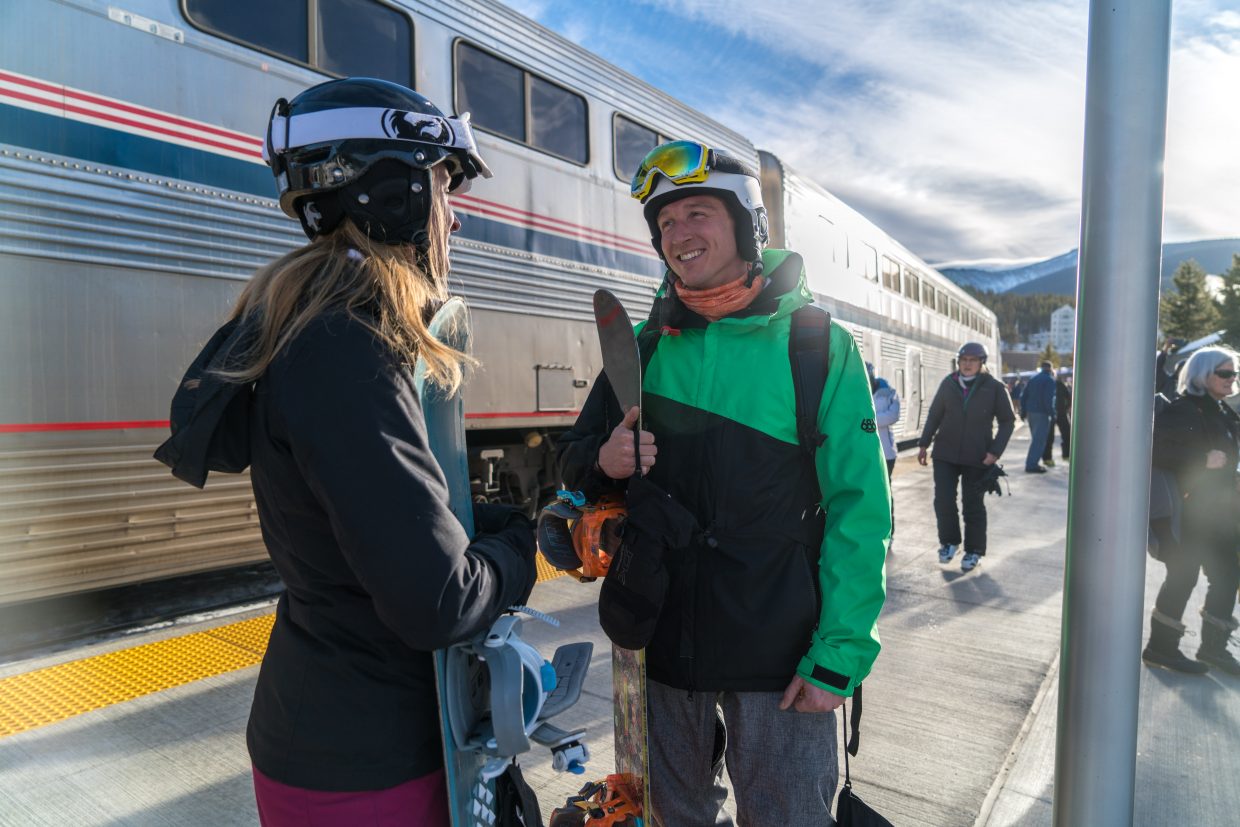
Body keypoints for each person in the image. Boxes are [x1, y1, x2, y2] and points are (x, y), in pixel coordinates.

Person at [172, 78, 538, 825]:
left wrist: (469, 521)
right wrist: (519, 552)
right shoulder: (349, 344)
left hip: (324, 735)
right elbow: (438, 603)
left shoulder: (307, 325)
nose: (455, 217)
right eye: (443, 185)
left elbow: (365, 525)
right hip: (371, 768)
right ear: (392, 193)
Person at [557, 141, 890, 825]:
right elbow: (576, 460)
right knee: (672, 815)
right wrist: (604, 459)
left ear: (745, 224)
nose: (680, 234)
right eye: (667, 223)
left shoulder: (815, 346)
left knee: (787, 816)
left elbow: (861, 509)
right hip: (661, 636)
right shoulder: (648, 347)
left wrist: (839, 655)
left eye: (698, 213)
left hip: (780, 646)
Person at [1143, 347, 1240, 675]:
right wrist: (1202, 460)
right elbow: (1156, 450)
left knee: (1227, 576)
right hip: (1189, 512)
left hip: (1221, 513)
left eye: (1233, 373)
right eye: (1224, 373)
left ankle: (1213, 649)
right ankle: (1161, 648)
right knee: (1184, 575)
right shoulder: (1184, 409)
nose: (1231, 379)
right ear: (1203, 373)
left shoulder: (1222, 410)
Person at [918, 342, 1016, 572]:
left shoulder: (994, 387)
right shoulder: (949, 383)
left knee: (972, 504)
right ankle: (949, 542)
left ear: (982, 363)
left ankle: (974, 551)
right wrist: (924, 443)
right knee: (943, 500)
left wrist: (994, 452)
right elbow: (934, 415)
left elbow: (1007, 421)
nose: (967, 364)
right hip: (945, 454)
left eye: (972, 360)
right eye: (964, 360)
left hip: (978, 456)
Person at [1019, 361, 1056, 473]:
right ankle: (1031, 465)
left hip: (1031, 412)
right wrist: (1052, 413)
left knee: (1036, 439)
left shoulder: (1033, 379)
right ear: (1050, 369)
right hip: (1042, 413)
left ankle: (1032, 463)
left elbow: (1023, 396)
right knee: (1039, 440)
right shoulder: (1049, 380)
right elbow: (1048, 399)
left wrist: (1023, 411)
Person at [1042, 373, 1072, 464]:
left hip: (1061, 413)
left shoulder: (1059, 384)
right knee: (1049, 437)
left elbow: (1069, 397)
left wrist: (1066, 408)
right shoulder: (1046, 384)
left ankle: (1066, 455)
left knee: (1067, 434)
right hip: (1050, 413)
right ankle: (1047, 458)